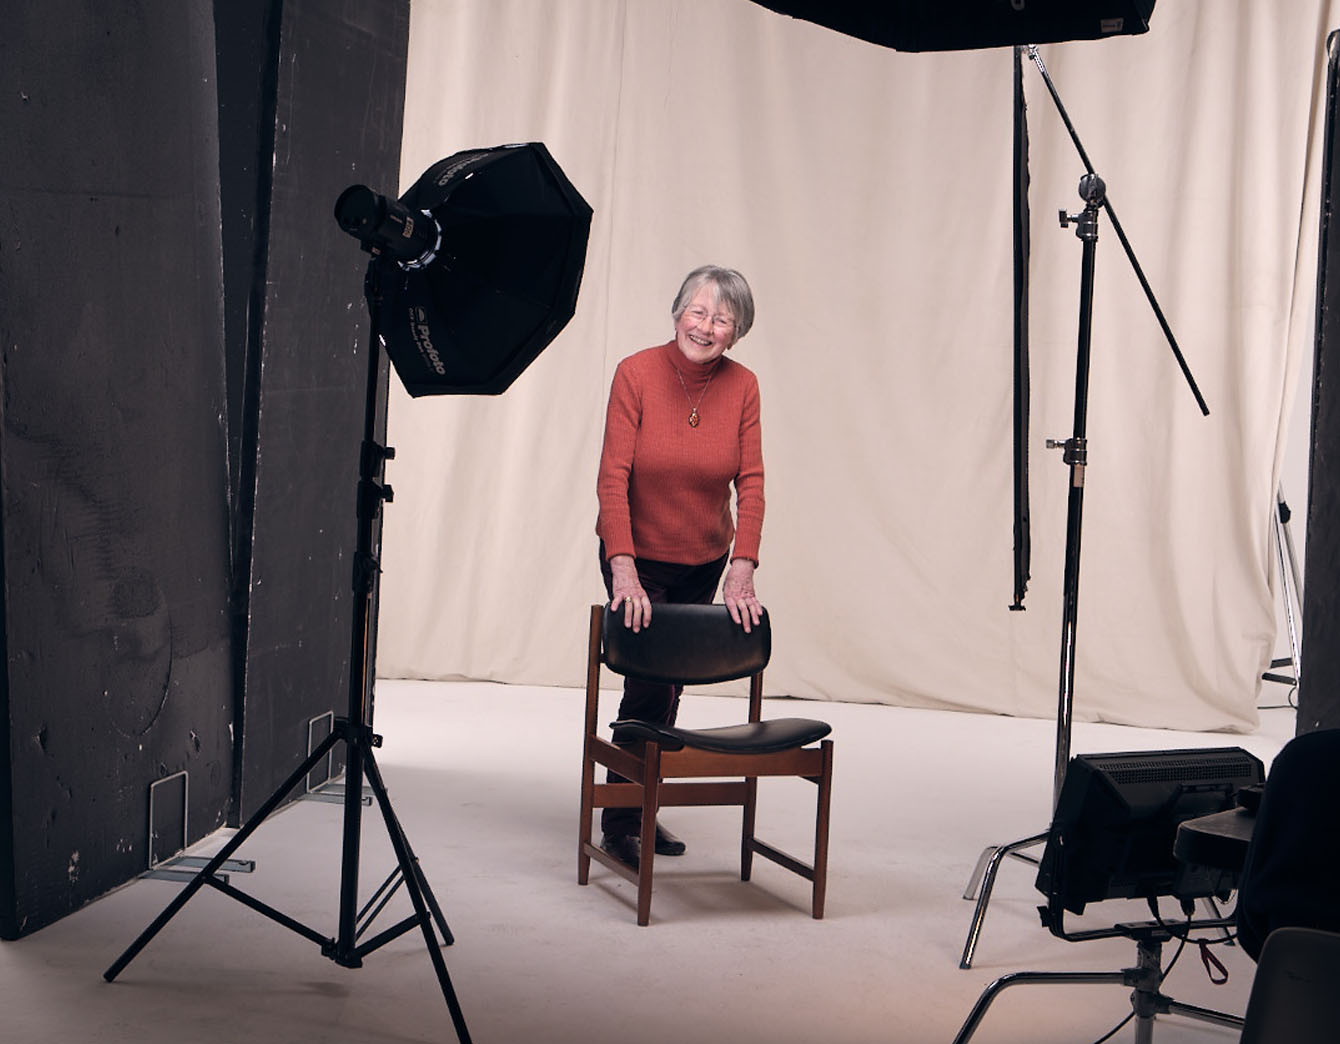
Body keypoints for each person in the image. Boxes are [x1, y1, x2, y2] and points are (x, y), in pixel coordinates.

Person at [594, 264, 765, 869]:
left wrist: (741, 565)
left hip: (703, 556)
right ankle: (621, 823)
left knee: (670, 687)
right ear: (677, 314)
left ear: (736, 331)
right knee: (648, 681)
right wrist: (622, 567)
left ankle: (636, 810)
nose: (707, 326)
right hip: (635, 553)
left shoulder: (742, 386)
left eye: (722, 318)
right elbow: (613, 476)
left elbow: (752, 481)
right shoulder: (636, 373)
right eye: (698, 312)